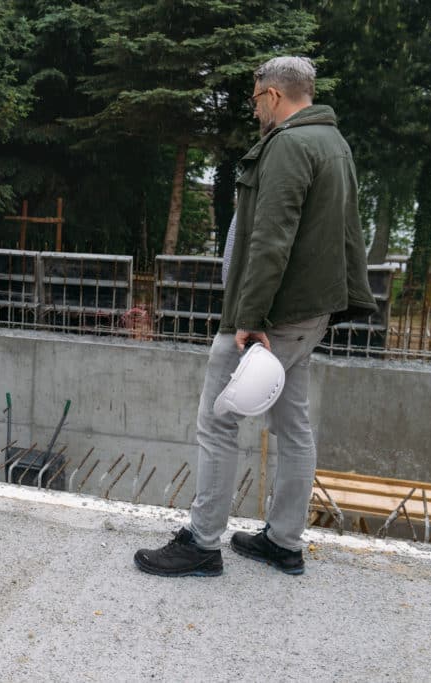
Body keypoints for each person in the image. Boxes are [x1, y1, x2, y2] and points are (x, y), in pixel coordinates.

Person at [134, 56, 377, 577]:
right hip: (306, 312)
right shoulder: (333, 141)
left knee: (218, 419)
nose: (254, 109)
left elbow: (271, 239)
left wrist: (249, 317)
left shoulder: (290, 144)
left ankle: (201, 543)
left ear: (272, 95)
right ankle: (284, 543)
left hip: (274, 315)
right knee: (292, 423)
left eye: (254, 99)